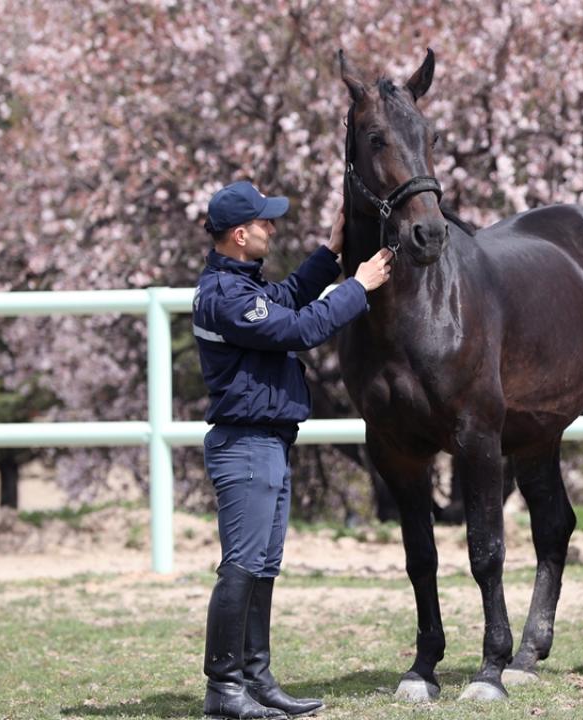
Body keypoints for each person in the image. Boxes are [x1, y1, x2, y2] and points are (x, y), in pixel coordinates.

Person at [194, 180, 391, 719]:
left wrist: (329, 254)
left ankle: (255, 679)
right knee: (241, 566)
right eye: (265, 222)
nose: (272, 228)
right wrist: (360, 285)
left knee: (262, 565)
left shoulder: (243, 285)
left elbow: (289, 296)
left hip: (268, 443)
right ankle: (223, 687)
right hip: (247, 444)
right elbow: (303, 327)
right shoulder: (225, 298)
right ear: (240, 234)